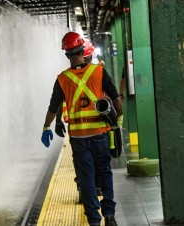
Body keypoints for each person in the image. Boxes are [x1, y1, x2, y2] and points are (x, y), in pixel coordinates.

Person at [41, 31, 123, 226]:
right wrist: (117, 121)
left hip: (78, 139)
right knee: (104, 172)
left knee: (86, 178)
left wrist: (47, 127)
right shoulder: (99, 71)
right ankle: (109, 216)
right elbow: (117, 100)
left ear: (67, 54)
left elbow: (53, 108)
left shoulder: (62, 79)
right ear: (82, 50)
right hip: (100, 135)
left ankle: (94, 221)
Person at [55, 39, 103, 199]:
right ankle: (93, 187)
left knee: (83, 163)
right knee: (96, 161)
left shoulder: (67, 77)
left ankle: (86, 189)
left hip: (78, 130)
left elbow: (58, 101)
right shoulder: (97, 73)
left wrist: (56, 122)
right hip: (95, 128)